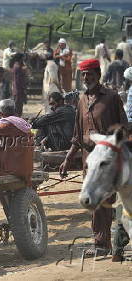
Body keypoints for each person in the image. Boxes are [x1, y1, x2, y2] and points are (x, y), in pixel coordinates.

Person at [59, 59, 128, 256]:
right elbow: (77, 134)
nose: (86, 78)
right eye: (83, 75)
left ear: (98, 74)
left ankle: (102, 244)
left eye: (89, 74)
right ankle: (104, 243)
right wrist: (67, 158)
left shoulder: (112, 98)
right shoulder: (82, 99)